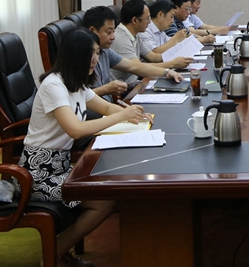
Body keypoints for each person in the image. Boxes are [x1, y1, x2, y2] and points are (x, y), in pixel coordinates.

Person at [17, 28, 153, 267]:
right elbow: (76, 130)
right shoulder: (53, 85)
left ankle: (58, 252)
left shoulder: (76, 83)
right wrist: (122, 116)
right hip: (37, 174)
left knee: (108, 188)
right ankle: (53, 255)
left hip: (61, 166)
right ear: (75, 55)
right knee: (104, 203)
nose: (95, 60)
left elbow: (106, 108)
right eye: (91, 54)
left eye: (98, 53)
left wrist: (134, 115)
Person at [83, 6, 185, 102]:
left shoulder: (106, 51)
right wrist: (105, 90)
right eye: (109, 32)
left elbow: (133, 66)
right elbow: (77, 97)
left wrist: (166, 72)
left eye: (113, 32)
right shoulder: (79, 55)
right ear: (92, 30)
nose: (113, 37)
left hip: (109, 104)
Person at [109, 0, 193, 84]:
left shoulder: (135, 35)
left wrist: (176, 58)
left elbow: (153, 57)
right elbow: (138, 67)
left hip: (134, 83)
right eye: (147, 18)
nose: (149, 22)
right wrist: (172, 64)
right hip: (124, 87)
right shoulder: (121, 38)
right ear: (135, 20)